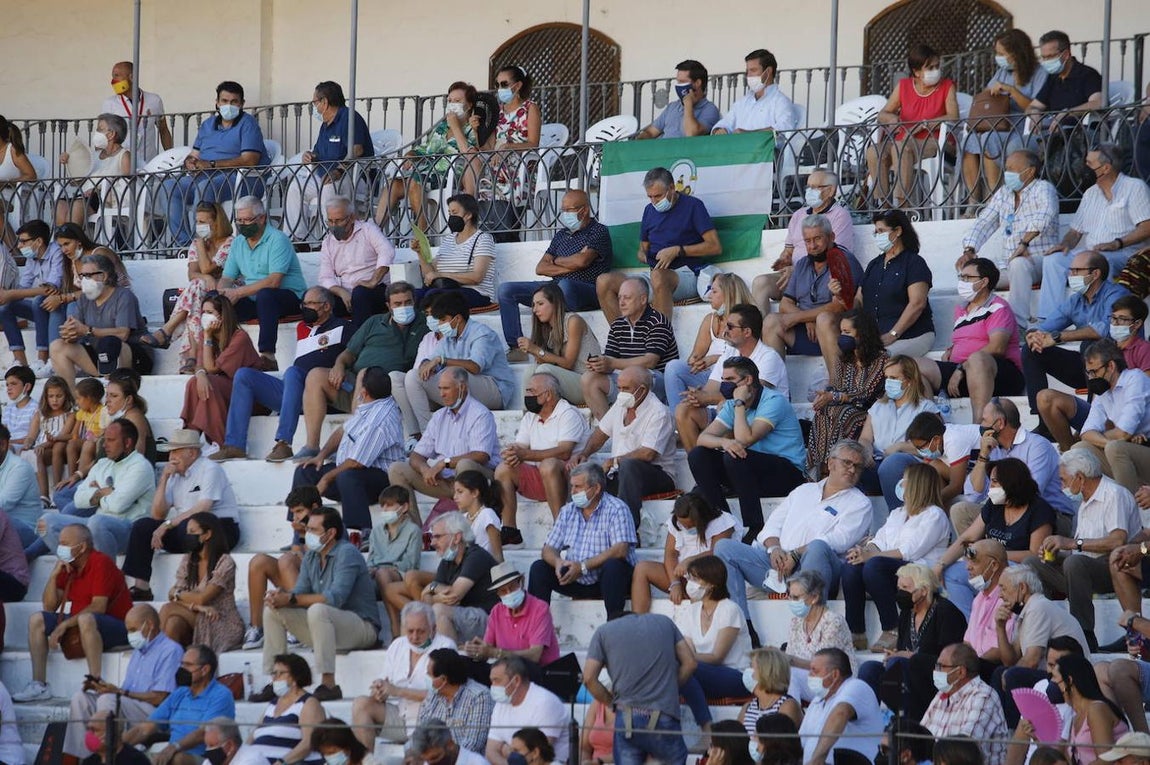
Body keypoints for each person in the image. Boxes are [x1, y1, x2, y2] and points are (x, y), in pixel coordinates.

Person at [716, 439, 871, 626]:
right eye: (847, 463)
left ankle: (811, 626)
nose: (852, 470)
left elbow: (838, 541)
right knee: (724, 547)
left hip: (819, 567)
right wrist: (774, 549)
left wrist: (796, 555)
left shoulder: (860, 503)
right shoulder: (803, 491)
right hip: (779, 565)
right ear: (831, 463)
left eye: (858, 466)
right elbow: (772, 526)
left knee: (818, 547)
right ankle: (743, 624)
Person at [210, 285, 349, 462]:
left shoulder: (343, 327)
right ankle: (235, 445)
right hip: (293, 392)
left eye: (311, 304)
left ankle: (284, 443)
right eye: (303, 304)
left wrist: (340, 364)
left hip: (319, 394)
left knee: (292, 372)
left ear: (327, 306)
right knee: (244, 375)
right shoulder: (302, 328)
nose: (305, 308)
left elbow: (353, 354)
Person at [1024, 449, 1141, 651]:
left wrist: (1069, 543)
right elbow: (1078, 549)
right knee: (1032, 563)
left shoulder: (1113, 494)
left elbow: (1117, 540)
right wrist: (1054, 554)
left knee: (1074, 562)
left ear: (1079, 477)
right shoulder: (1084, 502)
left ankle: (1084, 636)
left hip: (1116, 565)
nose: (1063, 486)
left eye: (1064, 480)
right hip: (1083, 568)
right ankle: (1043, 632)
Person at [260, 507, 380, 702]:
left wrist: (291, 599)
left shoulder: (347, 552)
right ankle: (275, 680)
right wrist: (281, 596)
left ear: (331, 533)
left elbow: (336, 598)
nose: (308, 534)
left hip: (362, 628)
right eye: (307, 529)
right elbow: (299, 593)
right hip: (325, 628)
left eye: (314, 530)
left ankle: (328, 684)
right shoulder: (311, 556)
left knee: (318, 609)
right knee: (273, 610)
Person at [299, 280, 426, 458]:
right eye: (397, 304)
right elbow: (348, 353)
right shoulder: (374, 322)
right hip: (354, 384)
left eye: (408, 302)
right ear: (388, 306)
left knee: (365, 374)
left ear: (415, 302)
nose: (403, 307)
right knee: (315, 375)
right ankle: (311, 446)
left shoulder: (424, 325)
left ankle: (353, 443)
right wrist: (339, 365)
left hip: (389, 389)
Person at [13, 524, 132, 702]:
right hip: (83, 622)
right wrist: (54, 576)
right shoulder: (68, 566)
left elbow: (98, 607)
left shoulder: (100, 562)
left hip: (116, 625)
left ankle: (95, 682)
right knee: (37, 619)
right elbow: (49, 606)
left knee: (85, 619)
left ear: (82, 547)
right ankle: (39, 684)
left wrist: (64, 626)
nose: (60, 548)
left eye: (65, 543)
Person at [689, 356, 806, 534]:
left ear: (748, 380)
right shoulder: (732, 404)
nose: (724, 385)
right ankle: (721, 518)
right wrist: (724, 441)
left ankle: (754, 526)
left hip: (787, 473)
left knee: (734, 455)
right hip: (750, 472)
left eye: (729, 380)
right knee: (698, 454)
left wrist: (739, 403)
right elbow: (703, 438)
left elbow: (745, 439)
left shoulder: (773, 400)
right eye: (722, 379)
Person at [841, 462, 950, 651]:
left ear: (917, 485)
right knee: (851, 565)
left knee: (873, 565)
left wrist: (870, 557)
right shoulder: (898, 513)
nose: (901, 485)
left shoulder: (935, 515)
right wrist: (865, 552)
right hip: (889, 566)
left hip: (917, 570)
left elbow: (909, 551)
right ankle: (856, 631)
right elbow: (879, 540)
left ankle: (892, 629)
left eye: (905, 481)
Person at [121, 428, 240, 602]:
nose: (171, 456)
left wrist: (167, 525)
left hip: (220, 528)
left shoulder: (210, 469)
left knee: (190, 525)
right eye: (170, 452)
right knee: (143, 526)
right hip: (188, 528)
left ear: (191, 452)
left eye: (176, 451)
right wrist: (163, 480)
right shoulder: (175, 476)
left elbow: (203, 508)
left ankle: (192, 587)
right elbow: (157, 513)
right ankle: (142, 587)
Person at [1038, 145, 1150, 321]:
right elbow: (1075, 232)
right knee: (1054, 260)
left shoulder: (1134, 187)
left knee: (1100, 261)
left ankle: (1101, 319)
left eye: (1089, 163)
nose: (1083, 168)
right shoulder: (1090, 193)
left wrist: (1117, 243)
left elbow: (1146, 227)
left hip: (1123, 252)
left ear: (1105, 168)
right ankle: (1048, 319)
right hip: (1092, 253)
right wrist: (1064, 245)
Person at [934, 457, 1057, 618]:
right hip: (990, 563)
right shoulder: (994, 505)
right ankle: (969, 625)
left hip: (1019, 568)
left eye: (994, 482)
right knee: (951, 574)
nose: (990, 487)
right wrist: (941, 564)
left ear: (1011, 482)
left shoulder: (1039, 510)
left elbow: (1034, 555)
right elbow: (969, 536)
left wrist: (995, 555)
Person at [597, 167, 721, 320]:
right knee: (604, 282)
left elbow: (714, 246)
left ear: (672, 188)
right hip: (654, 273)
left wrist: (678, 251)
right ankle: (623, 338)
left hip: (686, 274)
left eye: (658, 196)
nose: (654, 201)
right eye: (650, 197)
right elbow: (642, 250)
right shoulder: (649, 210)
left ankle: (660, 341)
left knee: (659, 277)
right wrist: (646, 256)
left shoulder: (693, 206)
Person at [293, 366, 404, 535]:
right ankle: (303, 531)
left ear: (364, 392)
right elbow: (343, 430)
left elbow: (356, 462)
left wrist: (326, 478)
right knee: (304, 471)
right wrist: (321, 456)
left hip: (381, 481)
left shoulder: (380, 419)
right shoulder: (370, 403)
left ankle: (358, 533)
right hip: (355, 471)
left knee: (347, 474)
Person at [62, 604, 183, 759]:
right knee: (81, 699)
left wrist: (118, 692)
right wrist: (103, 687)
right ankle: (82, 758)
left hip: (155, 714)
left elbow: (160, 697)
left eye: (133, 630)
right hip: (131, 706)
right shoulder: (139, 652)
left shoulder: (170, 650)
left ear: (150, 625)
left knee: (108, 698)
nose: (130, 635)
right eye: (128, 630)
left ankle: (108, 755)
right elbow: (125, 694)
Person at [498, 189, 612, 352]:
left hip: (586, 289)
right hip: (556, 287)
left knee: (565, 286)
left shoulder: (598, 231)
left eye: (569, 210)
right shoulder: (561, 235)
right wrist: (569, 263)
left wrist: (557, 261)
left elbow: (582, 261)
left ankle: (555, 341)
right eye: (563, 210)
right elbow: (541, 267)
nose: (565, 214)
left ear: (584, 210)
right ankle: (516, 347)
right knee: (506, 290)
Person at [959, 149, 1059, 328]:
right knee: (971, 273)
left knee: (1019, 264)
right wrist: (969, 250)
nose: (1007, 173)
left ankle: (1017, 325)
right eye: (1006, 168)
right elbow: (984, 222)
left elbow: (1044, 216)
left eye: (1012, 169)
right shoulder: (1004, 193)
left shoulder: (1043, 188)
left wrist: (1024, 244)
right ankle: (972, 324)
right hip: (1008, 264)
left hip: (1039, 260)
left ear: (1030, 171)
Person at [162, 81, 269, 246]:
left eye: (234, 102)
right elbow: (194, 154)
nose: (229, 105)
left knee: (205, 186)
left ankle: (200, 243)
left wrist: (211, 164)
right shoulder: (207, 125)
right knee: (169, 187)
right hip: (206, 175)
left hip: (241, 178)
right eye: (225, 101)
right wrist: (190, 163)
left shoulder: (248, 124)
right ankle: (182, 244)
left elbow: (250, 160)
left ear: (242, 104)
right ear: (217, 103)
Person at [1037, 296, 1150, 452]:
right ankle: (1069, 452)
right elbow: (1099, 396)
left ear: (1136, 324)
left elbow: (1144, 398)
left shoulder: (1144, 350)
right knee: (1046, 398)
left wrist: (1130, 431)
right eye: (1113, 318)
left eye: (1122, 319)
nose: (1115, 324)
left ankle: (1081, 450)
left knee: (1089, 438)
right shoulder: (1104, 349)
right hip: (1101, 412)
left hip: (1133, 419)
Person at [583, 612, 697, 765]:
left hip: (627, 716)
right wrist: (668, 690)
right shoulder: (665, 622)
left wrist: (612, 703)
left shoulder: (603, 632)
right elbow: (690, 663)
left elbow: (589, 678)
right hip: (663, 713)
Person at [388, 367, 501, 522]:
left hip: (478, 480)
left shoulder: (480, 414)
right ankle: (412, 532)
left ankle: (471, 524)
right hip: (447, 482)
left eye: (446, 388)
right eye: (440, 388)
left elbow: (481, 455)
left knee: (465, 465)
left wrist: (443, 464)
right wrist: (425, 469)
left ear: (462, 388)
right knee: (397, 469)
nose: (441, 394)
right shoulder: (439, 417)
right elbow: (416, 455)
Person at [857, 564, 968, 720]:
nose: (900, 592)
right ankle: (867, 722)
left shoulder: (947, 613)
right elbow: (904, 650)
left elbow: (951, 661)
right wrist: (896, 654)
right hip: (908, 673)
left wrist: (910, 657)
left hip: (936, 677)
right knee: (870, 669)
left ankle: (908, 722)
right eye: (898, 587)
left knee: (899, 664)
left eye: (905, 587)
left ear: (924, 590)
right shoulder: (907, 613)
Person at [527, 462, 638, 619]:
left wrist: (584, 567)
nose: (572, 492)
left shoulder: (617, 508)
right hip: (575, 578)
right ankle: (536, 630)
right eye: (572, 486)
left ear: (596, 488)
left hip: (608, 580)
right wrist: (557, 562)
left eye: (578, 487)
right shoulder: (567, 511)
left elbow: (620, 550)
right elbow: (548, 549)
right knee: (539, 568)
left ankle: (614, 627)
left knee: (614, 566)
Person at [918, 258, 1025, 419]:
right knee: (912, 366)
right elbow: (966, 341)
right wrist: (952, 351)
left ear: (983, 282)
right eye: (961, 277)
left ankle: (980, 430)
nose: (962, 282)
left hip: (998, 374)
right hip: (962, 372)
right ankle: (934, 424)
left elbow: (997, 348)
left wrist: (962, 367)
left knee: (977, 359)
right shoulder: (961, 310)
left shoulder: (998, 307)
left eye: (968, 278)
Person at [571, 366, 677, 527]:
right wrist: (584, 454)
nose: (621, 393)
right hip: (621, 473)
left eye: (626, 388)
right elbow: (601, 433)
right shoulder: (621, 405)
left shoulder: (659, 412)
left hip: (658, 475)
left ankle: (628, 529)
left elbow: (649, 454)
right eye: (619, 388)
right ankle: (577, 531)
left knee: (628, 466)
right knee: (583, 475)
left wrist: (615, 461)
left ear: (642, 390)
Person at [676, 300, 789, 451]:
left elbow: (753, 395)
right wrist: (697, 396)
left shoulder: (769, 357)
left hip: (761, 419)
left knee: (729, 409)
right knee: (683, 409)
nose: (724, 331)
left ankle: (727, 465)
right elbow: (711, 388)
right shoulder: (730, 353)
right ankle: (701, 466)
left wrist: (708, 398)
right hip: (733, 411)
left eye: (730, 327)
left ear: (747, 332)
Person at [398, 291, 516, 434]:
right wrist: (426, 365)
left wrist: (442, 361)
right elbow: (430, 360)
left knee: (445, 374)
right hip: (461, 388)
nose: (440, 325)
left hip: (494, 391)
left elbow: (475, 367)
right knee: (404, 377)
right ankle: (420, 433)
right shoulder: (448, 338)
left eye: (442, 320)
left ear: (458, 318)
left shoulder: (482, 334)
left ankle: (429, 434)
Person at [956, 397, 1075, 537]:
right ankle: (982, 555)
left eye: (984, 420)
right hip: (1006, 511)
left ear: (999, 423)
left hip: (1050, 515)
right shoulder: (993, 449)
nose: (981, 426)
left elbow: (1032, 493)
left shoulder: (1037, 446)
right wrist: (983, 456)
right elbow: (973, 496)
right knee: (961, 510)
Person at [494, 371, 589, 543]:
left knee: (549, 464)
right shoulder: (530, 416)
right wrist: (512, 451)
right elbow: (521, 446)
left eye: (531, 391)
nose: (526, 395)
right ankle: (510, 529)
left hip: (570, 478)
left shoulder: (568, 414)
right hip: (542, 477)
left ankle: (561, 528)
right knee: (504, 469)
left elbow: (565, 452)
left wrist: (526, 454)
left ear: (547, 395)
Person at [142, 202, 234, 373]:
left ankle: (169, 332)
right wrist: (205, 277)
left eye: (203, 222)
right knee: (196, 291)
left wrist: (201, 251)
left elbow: (207, 268)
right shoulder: (197, 243)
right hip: (203, 294)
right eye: (197, 221)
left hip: (226, 290)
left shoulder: (229, 243)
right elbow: (193, 274)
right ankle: (191, 356)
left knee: (196, 289)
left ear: (216, 222)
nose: (199, 226)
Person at [217, 195, 307, 370]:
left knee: (266, 296)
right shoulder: (238, 243)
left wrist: (238, 293)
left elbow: (274, 281)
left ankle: (267, 356)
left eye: (248, 220)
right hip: (254, 299)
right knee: (216, 301)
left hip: (288, 297)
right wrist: (223, 293)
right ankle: (220, 356)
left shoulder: (277, 239)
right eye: (239, 220)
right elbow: (227, 278)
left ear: (262, 218)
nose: (243, 224)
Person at [350, 601, 456, 748]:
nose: (414, 637)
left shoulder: (446, 647)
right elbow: (385, 680)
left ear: (433, 629)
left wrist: (397, 690)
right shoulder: (397, 645)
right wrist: (379, 691)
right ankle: (367, 761)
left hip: (431, 722)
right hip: (400, 716)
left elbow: (445, 694)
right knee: (361, 704)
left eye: (421, 631)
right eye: (410, 631)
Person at [376, 81, 480, 230]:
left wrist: (456, 126)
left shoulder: (473, 128)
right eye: (450, 101)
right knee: (393, 185)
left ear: (469, 105)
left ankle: (422, 233)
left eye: (457, 101)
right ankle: (376, 231)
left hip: (448, 175)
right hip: (425, 172)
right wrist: (411, 154)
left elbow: (469, 153)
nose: (452, 104)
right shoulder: (442, 127)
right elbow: (424, 149)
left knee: (414, 181)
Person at [992, 566, 1089, 725]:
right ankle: (1003, 728)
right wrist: (1000, 628)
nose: (1000, 595)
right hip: (1054, 676)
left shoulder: (1038, 607)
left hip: (1069, 679)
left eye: (1003, 588)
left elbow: (1031, 660)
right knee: (1000, 672)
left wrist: (1010, 673)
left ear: (1022, 587)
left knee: (1012, 675)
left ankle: (1013, 730)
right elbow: (1010, 660)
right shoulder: (1027, 610)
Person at [832, 210, 935, 359]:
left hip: (912, 335)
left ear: (898, 231)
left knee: (880, 359)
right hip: (877, 338)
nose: (878, 235)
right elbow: (859, 302)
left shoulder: (914, 263)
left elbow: (917, 304)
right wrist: (842, 296)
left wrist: (893, 334)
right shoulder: (874, 265)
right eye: (876, 232)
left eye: (881, 231)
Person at [866, 44, 959, 207]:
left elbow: (954, 116)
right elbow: (883, 113)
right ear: (916, 72)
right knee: (874, 152)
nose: (936, 70)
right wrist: (891, 118)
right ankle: (884, 206)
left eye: (937, 66)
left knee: (900, 148)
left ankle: (903, 207)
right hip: (904, 140)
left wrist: (926, 124)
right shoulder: (904, 86)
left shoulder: (947, 86)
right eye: (930, 67)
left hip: (936, 141)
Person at [961, 29, 1048, 202]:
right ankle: (972, 200)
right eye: (997, 53)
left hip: (1021, 124)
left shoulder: (1039, 73)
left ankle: (993, 198)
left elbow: (1034, 107)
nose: (998, 57)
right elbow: (988, 95)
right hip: (998, 121)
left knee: (989, 138)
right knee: (968, 141)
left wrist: (1011, 91)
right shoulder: (1003, 72)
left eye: (1002, 53)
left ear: (1017, 53)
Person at [761, 213, 863, 360]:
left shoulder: (843, 261)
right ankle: (773, 382)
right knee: (771, 321)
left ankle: (835, 382)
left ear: (831, 237)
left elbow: (838, 307)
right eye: (807, 241)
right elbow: (785, 303)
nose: (813, 246)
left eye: (818, 239)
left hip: (833, 330)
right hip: (806, 331)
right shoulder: (802, 264)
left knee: (824, 319)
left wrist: (798, 317)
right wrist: (806, 320)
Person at [384, 511, 498, 643]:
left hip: (487, 619)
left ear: (456, 537)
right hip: (462, 617)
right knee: (415, 616)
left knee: (439, 610)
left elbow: (454, 596)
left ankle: (446, 659)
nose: (432, 543)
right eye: (433, 537)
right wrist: (433, 591)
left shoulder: (476, 556)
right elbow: (426, 600)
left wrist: (432, 591)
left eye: (438, 537)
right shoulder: (448, 559)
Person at [754, 170, 856, 312]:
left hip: (823, 276)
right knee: (761, 283)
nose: (810, 191)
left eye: (816, 187)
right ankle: (758, 333)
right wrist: (785, 259)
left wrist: (797, 270)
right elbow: (789, 249)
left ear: (831, 190)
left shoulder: (840, 215)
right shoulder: (798, 215)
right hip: (795, 276)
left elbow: (836, 254)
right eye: (809, 187)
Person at [282, 81, 373, 240]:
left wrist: (339, 170)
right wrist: (310, 155)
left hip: (350, 175)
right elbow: (318, 151)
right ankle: (297, 240)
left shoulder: (349, 118)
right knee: (295, 188)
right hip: (322, 176)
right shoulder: (325, 125)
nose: (314, 107)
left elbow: (357, 150)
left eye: (315, 102)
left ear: (324, 102)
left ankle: (330, 240)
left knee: (328, 190)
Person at [582, 276, 680, 419]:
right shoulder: (618, 324)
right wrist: (599, 364)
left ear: (643, 300)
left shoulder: (657, 321)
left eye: (627, 298)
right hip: (628, 379)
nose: (621, 302)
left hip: (657, 382)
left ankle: (631, 426)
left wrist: (611, 363)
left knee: (634, 376)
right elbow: (610, 359)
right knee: (588, 378)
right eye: (620, 297)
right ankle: (610, 430)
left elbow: (650, 362)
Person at [120, 645, 236, 765]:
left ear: (204, 670)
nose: (182, 669)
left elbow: (203, 733)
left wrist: (173, 747)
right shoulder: (180, 693)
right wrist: (116, 748)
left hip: (206, 758)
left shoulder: (221, 695)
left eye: (188, 665)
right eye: (181, 664)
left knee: (177, 759)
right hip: (173, 754)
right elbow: (144, 728)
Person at [806, 310, 889, 475]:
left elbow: (866, 394)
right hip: (843, 406)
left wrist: (835, 396)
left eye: (847, 332)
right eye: (841, 332)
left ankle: (837, 467)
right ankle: (820, 467)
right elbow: (836, 386)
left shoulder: (881, 360)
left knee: (843, 414)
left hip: (867, 411)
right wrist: (825, 396)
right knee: (823, 411)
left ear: (862, 335)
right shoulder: (843, 359)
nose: (842, 337)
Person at [48, 253, 148, 389]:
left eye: (89, 276)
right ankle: (71, 403)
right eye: (83, 276)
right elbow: (76, 329)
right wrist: (69, 333)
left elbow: (123, 334)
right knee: (57, 346)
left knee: (111, 342)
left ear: (104, 276)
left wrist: (87, 330)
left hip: (132, 357)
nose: (84, 280)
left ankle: (112, 393)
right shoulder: (84, 298)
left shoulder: (124, 296)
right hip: (99, 356)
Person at [630, 492, 736, 614]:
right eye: (683, 524)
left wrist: (690, 560)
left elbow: (719, 552)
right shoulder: (675, 522)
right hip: (683, 577)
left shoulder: (722, 521)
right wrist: (674, 583)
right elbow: (670, 554)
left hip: (709, 578)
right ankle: (637, 621)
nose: (686, 528)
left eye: (690, 525)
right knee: (642, 568)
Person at [677, 556, 754, 723]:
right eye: (690, 578)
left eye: (695, 578)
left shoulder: (729, 609)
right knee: (683, 670)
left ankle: (704, 727)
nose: (690, 583)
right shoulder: (691, 611)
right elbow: (688, 650)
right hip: (702, 673)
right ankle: (705, 724)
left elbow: (717, 657)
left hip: (736, 675)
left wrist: (683, 659)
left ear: (712, 583)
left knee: (685, 668)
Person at [242, 487, 320, 650]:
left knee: (286, 560)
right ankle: (257, 627)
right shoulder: (301, 527)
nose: (296, 517)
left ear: (314, 508)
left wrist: (303, 540)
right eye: (293, 512)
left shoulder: (329, 524)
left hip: (319, 587)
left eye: (299, 511)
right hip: (299, 583)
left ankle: (297, 624)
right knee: (259, 561)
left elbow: (318, 563)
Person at [179, 294, 260, 446]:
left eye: (210, 313)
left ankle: (221, 442)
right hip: (224, 391)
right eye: (203, 312)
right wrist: (201, 374)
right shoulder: (205, 334)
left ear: (222, 316)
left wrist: (208, 337)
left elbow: (212, 368)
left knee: (211, 384)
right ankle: (190, 437)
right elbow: (201, 365)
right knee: (193, 383)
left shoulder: (239, 337)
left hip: (250, 396)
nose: (205, 316)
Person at [158, 512, 245, 652]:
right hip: (200, 615)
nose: (187, 536)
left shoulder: (225, 562)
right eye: (187, 532)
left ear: (207, 534)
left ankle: (155, 657)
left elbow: (202, 598)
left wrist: (179, 595)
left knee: (168, 608)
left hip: (220, 621)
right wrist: (198, 607)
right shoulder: (189, 559)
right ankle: (172, 668)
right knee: (173, 623)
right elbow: (172, 595)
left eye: (192, 532)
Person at [1073, 338, 1150, 493]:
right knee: (1079, 449)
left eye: (1094, 371)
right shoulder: (1103, 392)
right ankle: (1094, 505)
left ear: (1111, 366)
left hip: (1146, 448)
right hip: (1129, 448)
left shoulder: (1135, 379)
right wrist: (1110, 440)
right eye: (1088, 373)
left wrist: (1115, 437)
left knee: (1116, 448)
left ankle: (1127, 504)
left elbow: (1124, 432)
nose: (1091, 377)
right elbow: (1086, 434)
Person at [461, 561, 561, 674]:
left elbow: (534, 655)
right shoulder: (496, 612)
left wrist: (495, 653)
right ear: (498, 594)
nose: (509, 593)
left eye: (512, 587)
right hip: (509, 672)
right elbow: (488, 648)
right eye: (503, 590)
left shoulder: (540, 608)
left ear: (521, 582)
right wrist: (477, 650)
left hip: (540, 672)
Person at [857, 355, 938, 491]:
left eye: (893, 378)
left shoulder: (926, 408)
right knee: (849, 462)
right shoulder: (878, 406)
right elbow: (865, 438)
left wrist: (901, 447)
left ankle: (897, 511)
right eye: (887, 378)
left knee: (892, 463)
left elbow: (935, 447)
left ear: (910, 380)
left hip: (908, 465)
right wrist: (866, 451)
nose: (888, 382)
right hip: (877, 462)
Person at [514, 282, 601, 407]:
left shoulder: (573, 321)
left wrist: (536, 349)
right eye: (533, 305)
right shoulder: (547, 329)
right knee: (531, 370)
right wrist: (533, 351)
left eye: (540, 304)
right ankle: (527, 418)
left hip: (589, 383)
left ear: (555, 304)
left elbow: (568, 364)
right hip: (568, 382)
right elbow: (546, 362)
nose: (535, 310)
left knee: (545, 371)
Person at [921, 642, 1008, 765]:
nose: (935, 671)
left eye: (941, 666)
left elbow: (962, 750)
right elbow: (920, 739)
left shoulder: (983, 696)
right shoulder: (942, 695)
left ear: (960, 672)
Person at [797, 648, 883, 765]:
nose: (809, 675)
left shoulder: (856, 686)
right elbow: (801, 742)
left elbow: (840, 713)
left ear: (835, 674)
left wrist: (817, 759)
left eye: (815, 671)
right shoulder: (817, 700)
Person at [780, 570, 858, 699]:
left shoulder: (833, 622)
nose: (791, 601)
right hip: (809, 680)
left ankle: (790, 716)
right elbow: (790, 657)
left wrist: (789, 660)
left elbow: (823, 666)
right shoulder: (796, 622)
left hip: (835, 682)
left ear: (815, 597)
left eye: (796, 597)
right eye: (790, 596)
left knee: (790, 674)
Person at [0, 218, 64, 374]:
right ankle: (20, 361)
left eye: (23, 241)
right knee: (5, 308)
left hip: (61, 307)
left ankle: (43, 359)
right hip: (43, 309)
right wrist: (5, 296)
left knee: (38, 301)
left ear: (39, 241)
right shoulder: (31, 259)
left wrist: (10, 293)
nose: (19, 246)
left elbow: (51, 289)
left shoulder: (56, 252)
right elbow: (23, 289)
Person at [317, 196, 394, 325]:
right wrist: (342, 292)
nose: (334, 226)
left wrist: (373, 281)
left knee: (360, 294)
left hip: (374, 289)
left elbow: (387, 251)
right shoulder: (328, 242)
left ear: (351, 218)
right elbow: (325, 277)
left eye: (338, 221)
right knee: (316, 299)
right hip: (346, 294)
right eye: (330, 221)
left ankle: (359, 341)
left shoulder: (368, 230)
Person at [415, 193, 498, 308]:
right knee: (413, 295)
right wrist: (419, 253)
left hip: (475, 292)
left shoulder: (483, 239)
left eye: (454, 213)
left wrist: (441, 274)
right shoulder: (448, 239)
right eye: (449, 213)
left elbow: (477, 277)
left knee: (434, 297)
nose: (451, 217)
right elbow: (430, 273)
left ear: (468, 215)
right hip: (445, 289)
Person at [243, 652, 325, 765]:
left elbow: (309, 743)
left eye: (281, 673)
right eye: (274, 673)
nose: (275, 677)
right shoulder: (272, 704)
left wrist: (282, 762)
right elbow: (252, 738)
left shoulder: (308, 703)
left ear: (296, 676)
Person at [486, 656, 569, 765]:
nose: (493, 686)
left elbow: (536, 755)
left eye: (497, 681)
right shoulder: (501, 704)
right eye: (492, 681)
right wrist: (513, 758)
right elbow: (491, 751)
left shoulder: (545, 703)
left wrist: (506, 749)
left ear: (516, 680)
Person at [56, 112, 131, 227]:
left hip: (103, 199)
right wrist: (70, 162)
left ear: (111, 134)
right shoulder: (94, 156)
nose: (96, 133)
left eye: (100, 129)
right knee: (60, 206)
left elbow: (127, 184)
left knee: (78, 205)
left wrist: (98, 188)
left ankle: (73, 241)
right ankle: (63, 243)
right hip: (82, 196)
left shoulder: (124, 155)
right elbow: (77, 181)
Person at [418, 648, 495, 754]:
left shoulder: (479, 697)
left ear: (443, 680)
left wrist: (441, 758)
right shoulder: (433, 695)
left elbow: (472, 745)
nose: (426, 677)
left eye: (429, 675)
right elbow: (420, 733)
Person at [365, 486, 423, 624]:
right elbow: (371, 559)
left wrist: (390, 568)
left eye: (390, 505)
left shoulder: (413, 530)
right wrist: (372, 568)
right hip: (376, 574)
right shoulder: (376, 531)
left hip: (400, 574)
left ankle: (395, 626)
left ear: (404, 507)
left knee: (383, 573)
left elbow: (411, 563)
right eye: (383, 505)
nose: (385, 509)